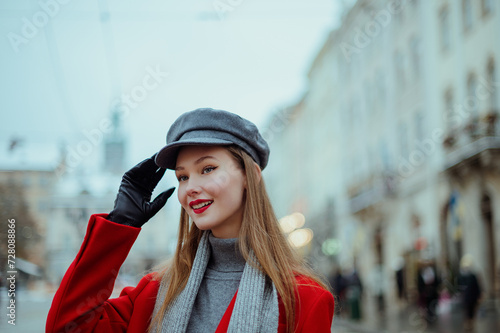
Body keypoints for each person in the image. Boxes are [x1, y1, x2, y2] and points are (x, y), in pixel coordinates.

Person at [46, 108, 334, 333]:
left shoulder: (304, 300)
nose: (190, 187)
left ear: (251, 177)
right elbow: (66, 326)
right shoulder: (155, 292)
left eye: (207, 168)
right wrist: (119, 224)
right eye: (182, 176)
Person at [457, 254, 482, 332]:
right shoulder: (461, 277)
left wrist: (479, 295)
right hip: (466, 298)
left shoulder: (473, 276)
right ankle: (468, 324)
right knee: (467, 311)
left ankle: (471, 324)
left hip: (472, 297)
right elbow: (459, 287)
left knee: (472, 312)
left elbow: (477, 287)